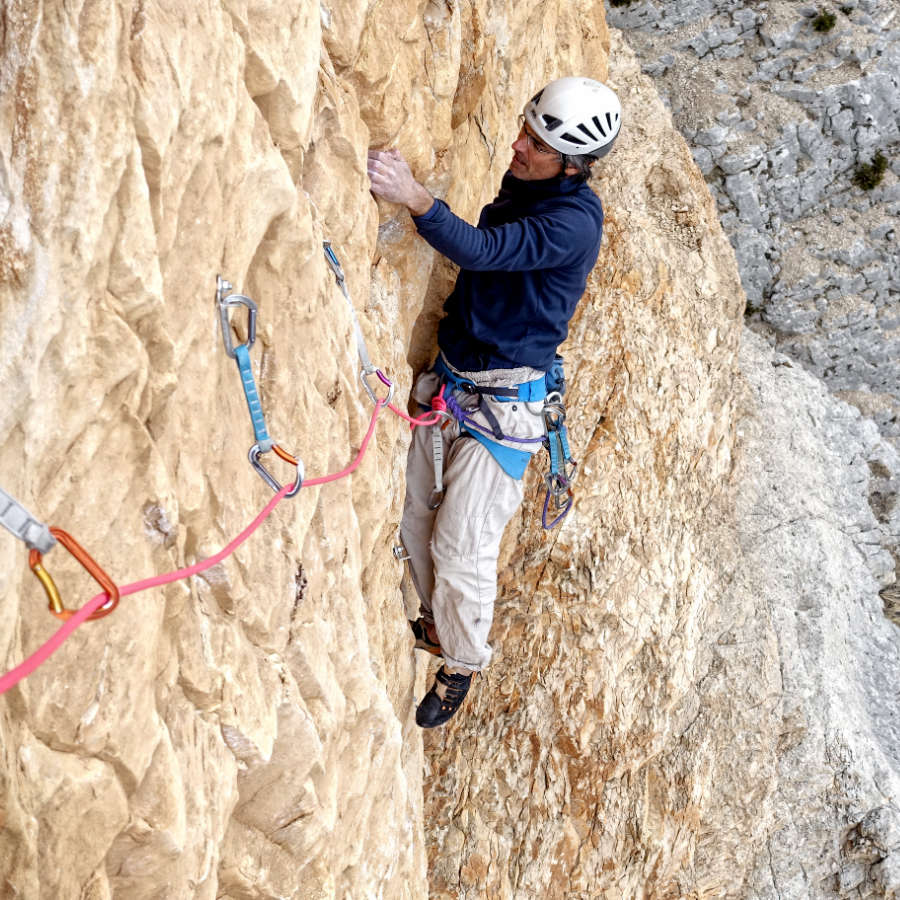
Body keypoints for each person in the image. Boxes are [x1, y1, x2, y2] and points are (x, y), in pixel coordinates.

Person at [367, 77, 621, 728]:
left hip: (502, 407)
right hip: (456, 381)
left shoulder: (571, 223)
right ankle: (437, 621)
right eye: (523, 130)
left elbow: (483, 252)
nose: (517, 146)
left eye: (535, 144)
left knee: (461, 547)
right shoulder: (532, 184)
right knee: (416, 526)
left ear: (573, 163)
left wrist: (416, 199)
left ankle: (462, 663)